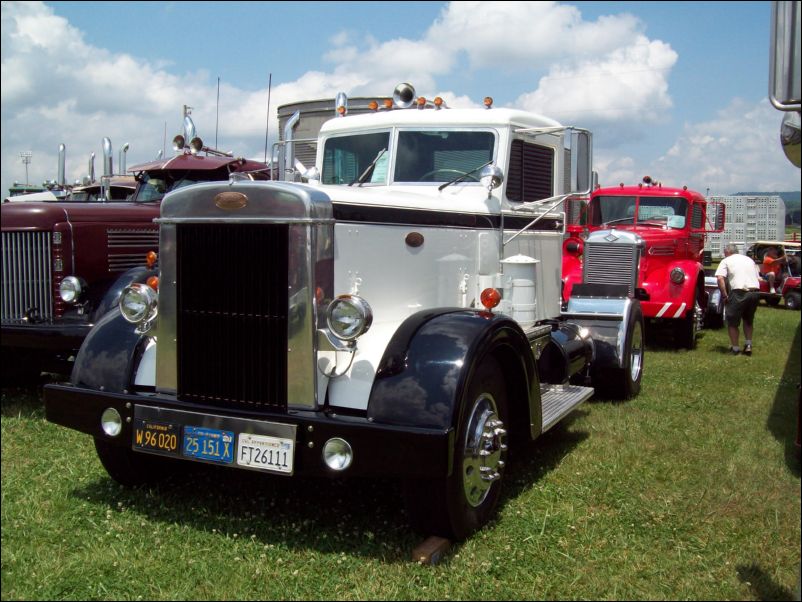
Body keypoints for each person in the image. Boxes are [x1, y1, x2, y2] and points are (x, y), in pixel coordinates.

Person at [715, 243, 761, 355]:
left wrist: (725, 295)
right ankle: (748, 344)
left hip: (739, 292)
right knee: (748, 320)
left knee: (732, 323)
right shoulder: (749, 260)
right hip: (754, 292)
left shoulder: (726, 260)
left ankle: (735, 349)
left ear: (727, 252)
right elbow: (758, 276)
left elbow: (720, 278)